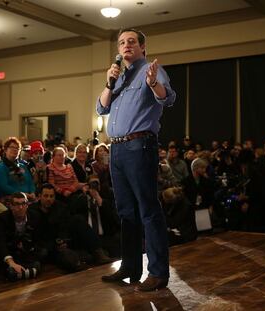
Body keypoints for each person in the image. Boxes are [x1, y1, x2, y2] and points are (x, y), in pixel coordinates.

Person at [96, 28, 176, 291]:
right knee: (126, 212)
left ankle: (158, 272)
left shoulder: (150, 71)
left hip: (139, 145)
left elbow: (169, 98)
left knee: (148, 210)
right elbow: (101, 107)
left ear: (142, 47)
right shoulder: (117, 77)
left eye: (131, 42)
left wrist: (153, 83)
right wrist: (109, 83)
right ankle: (130, 266)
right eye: (121, 43)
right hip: (116, 150)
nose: (126, 46)